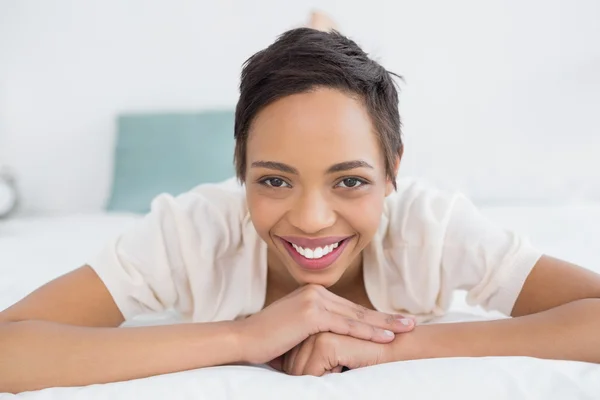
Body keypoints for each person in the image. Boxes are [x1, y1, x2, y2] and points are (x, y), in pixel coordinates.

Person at [2, 22, 600, 396]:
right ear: (239, 170)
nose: (312, 219)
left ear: (393, 171)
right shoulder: (194, 230)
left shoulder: (430, 226)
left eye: (350, 181)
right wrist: (243, 337)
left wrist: (391, 347)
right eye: (274, 180)